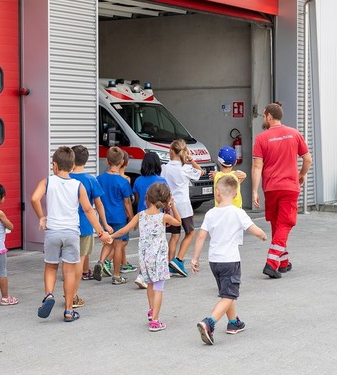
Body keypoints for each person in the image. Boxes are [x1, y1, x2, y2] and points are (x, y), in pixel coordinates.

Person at [30, 146, 112, 322]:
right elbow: (89, 210)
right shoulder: (78, 185)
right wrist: (101, 232)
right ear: (73, 165)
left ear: (54, 165)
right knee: (69, 272)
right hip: (72, 233)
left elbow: (34, 198)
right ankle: (68, 311)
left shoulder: (48, 181)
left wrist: (41, 217)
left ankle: (49, 295)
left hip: (53, 232)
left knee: (51, 266)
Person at [191, 176, 267, 345]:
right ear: (235, 194)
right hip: (230, 260)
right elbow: (253, 229)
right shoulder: (238, 212)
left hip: (214, 261)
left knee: (227, 293)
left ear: (217, 193)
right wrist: (262, 235)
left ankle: (233, 322)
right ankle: (209, 322)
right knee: (229, 294)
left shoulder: (210, 213)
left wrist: (195, 258)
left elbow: (201, 236)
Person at [251, 103, 312, 279]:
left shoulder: (261, 138)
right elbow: (307, 159)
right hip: (289, 187)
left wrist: (255, 190)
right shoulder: (294, 133)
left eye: (263, 116)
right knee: (285, 223)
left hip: (270, 187)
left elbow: (257, 166)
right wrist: (301, 174)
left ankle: (283, 262)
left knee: (277, 223)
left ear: (270, 116)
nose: (263, 119)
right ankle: (272, 262)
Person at [111, 183, 180, 332]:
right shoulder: (164, 217)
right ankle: (155, 320)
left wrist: (111, 236)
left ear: (147, 198)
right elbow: (178, 222)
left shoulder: (140, 216)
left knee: (149, 283)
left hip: (145, 257)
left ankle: (151, 310)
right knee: (159, 287)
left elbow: (125, 229)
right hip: (159, 258)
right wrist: (173, 207)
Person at [69, 145, 111, 303]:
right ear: (86, 161)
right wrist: (104, 224)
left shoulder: (65, 178)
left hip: (66, 226)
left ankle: (68, 292)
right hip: (85, 225)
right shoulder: (90, 179)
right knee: (80, 260)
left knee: (68, 262)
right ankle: (73, 295)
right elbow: (99, 204)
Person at [161, 139, 203, 277]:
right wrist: (191, 160)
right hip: (184, 205)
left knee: (174, 235)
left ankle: (169, 264)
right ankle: (178, 260)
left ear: (171, 151)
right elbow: (200, 173)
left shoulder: (165, 168)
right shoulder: (185, 168)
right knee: (190, 232)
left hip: (170, 205)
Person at [94, 147, 133, 285]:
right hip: (118, 217)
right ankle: (116, 276)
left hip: (104, 217)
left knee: (107, 242)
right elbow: (127, 202)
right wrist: (132, 217)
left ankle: (101, 261)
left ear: (107, 160)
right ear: (122, 161)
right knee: (117, 246)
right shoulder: (123, 181)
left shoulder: (99, 179)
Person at [131, 152, 167, 289]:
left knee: (145, 247)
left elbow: (138, 197)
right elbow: (165, 198)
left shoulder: (139, 180)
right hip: (157, 217)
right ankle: (144, 275)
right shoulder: (161, 181)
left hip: (143, 216)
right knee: (156, 248)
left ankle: (145, 274)